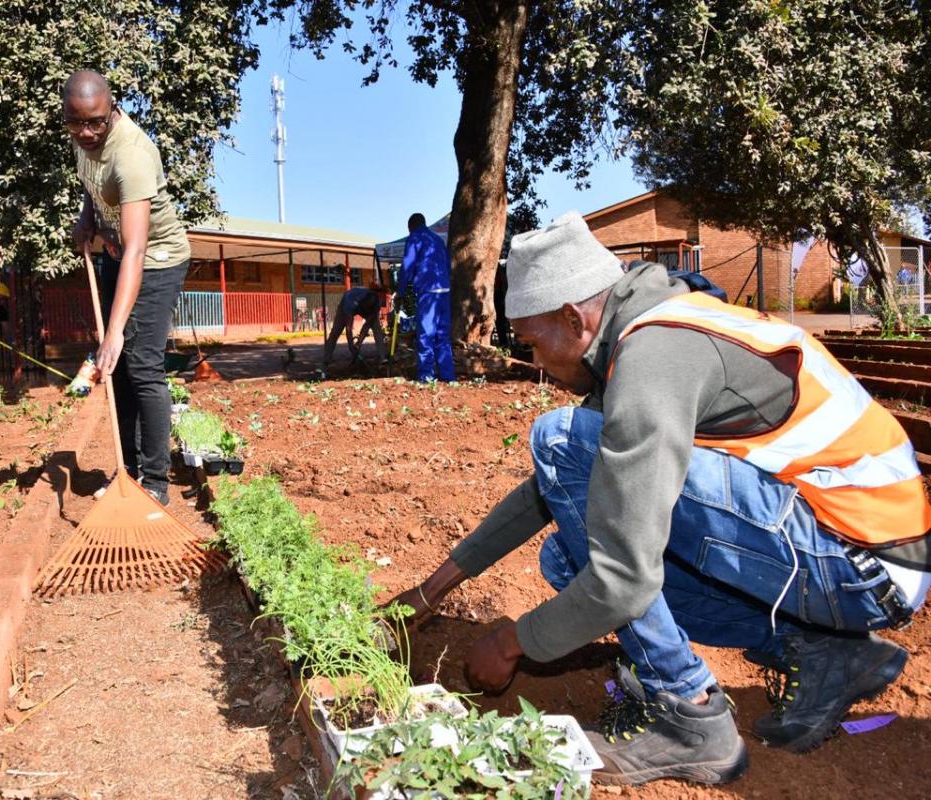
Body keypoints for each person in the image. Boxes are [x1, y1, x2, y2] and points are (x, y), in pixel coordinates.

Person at [391, 211, 929, 786]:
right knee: (567, 558)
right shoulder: (645, 326)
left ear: (573, 318)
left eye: (533, 341)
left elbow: (623, 575)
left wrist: (513, 642)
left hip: (860, 562)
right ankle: (824, 650)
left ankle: (688, 714)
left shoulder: (655, 355)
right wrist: (431, 590)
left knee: (563, 447)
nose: (538, 363)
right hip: (851, 555)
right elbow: (549, 489)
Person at [62, 69, 191, 506]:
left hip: (157, 258)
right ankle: (129, 472)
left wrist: (114, 331)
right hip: (121, 253)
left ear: (112, 109)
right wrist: (87, 220)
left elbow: (138, 249)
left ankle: (154, 482)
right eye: (76, 123)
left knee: (140, 364)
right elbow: (92, 185)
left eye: (96, 122)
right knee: (116, 367)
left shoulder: (132, 156)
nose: (86, 132)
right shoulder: (82, 139)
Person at [399, 213, 455, 382]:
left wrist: (401, 292)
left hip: (427, 292)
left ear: (411, 227)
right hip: (444, 291)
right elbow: (447, 265)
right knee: (443, 336)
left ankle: (426, 377)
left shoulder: (415, 238)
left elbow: (407, 266)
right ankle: (448, 377)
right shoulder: (437, 240)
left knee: (425, 335)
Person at [322, 283, 388, 368]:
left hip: (363, 308)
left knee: (377, 328)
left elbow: (366, 325)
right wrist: (351, 345)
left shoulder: (376, 303)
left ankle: (383, 358)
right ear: (368, 297)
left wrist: (359, 342)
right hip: (346, 306)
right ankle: (326, 359)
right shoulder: (351, 300)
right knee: (335, 331)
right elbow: (348, 328)